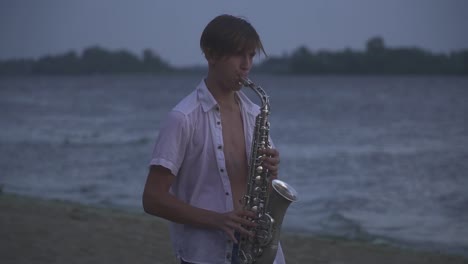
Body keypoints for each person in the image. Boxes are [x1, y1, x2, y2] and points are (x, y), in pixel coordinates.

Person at [142, 14, 285, 264]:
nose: (246, 65)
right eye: (238, 54)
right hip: (206, 254)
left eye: (251, 55)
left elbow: (263, 190)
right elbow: (153, 199)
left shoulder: (254, 114)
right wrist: (218, 219)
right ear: (211, 54)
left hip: (258, 248)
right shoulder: (182, 118)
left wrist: (272, 172)